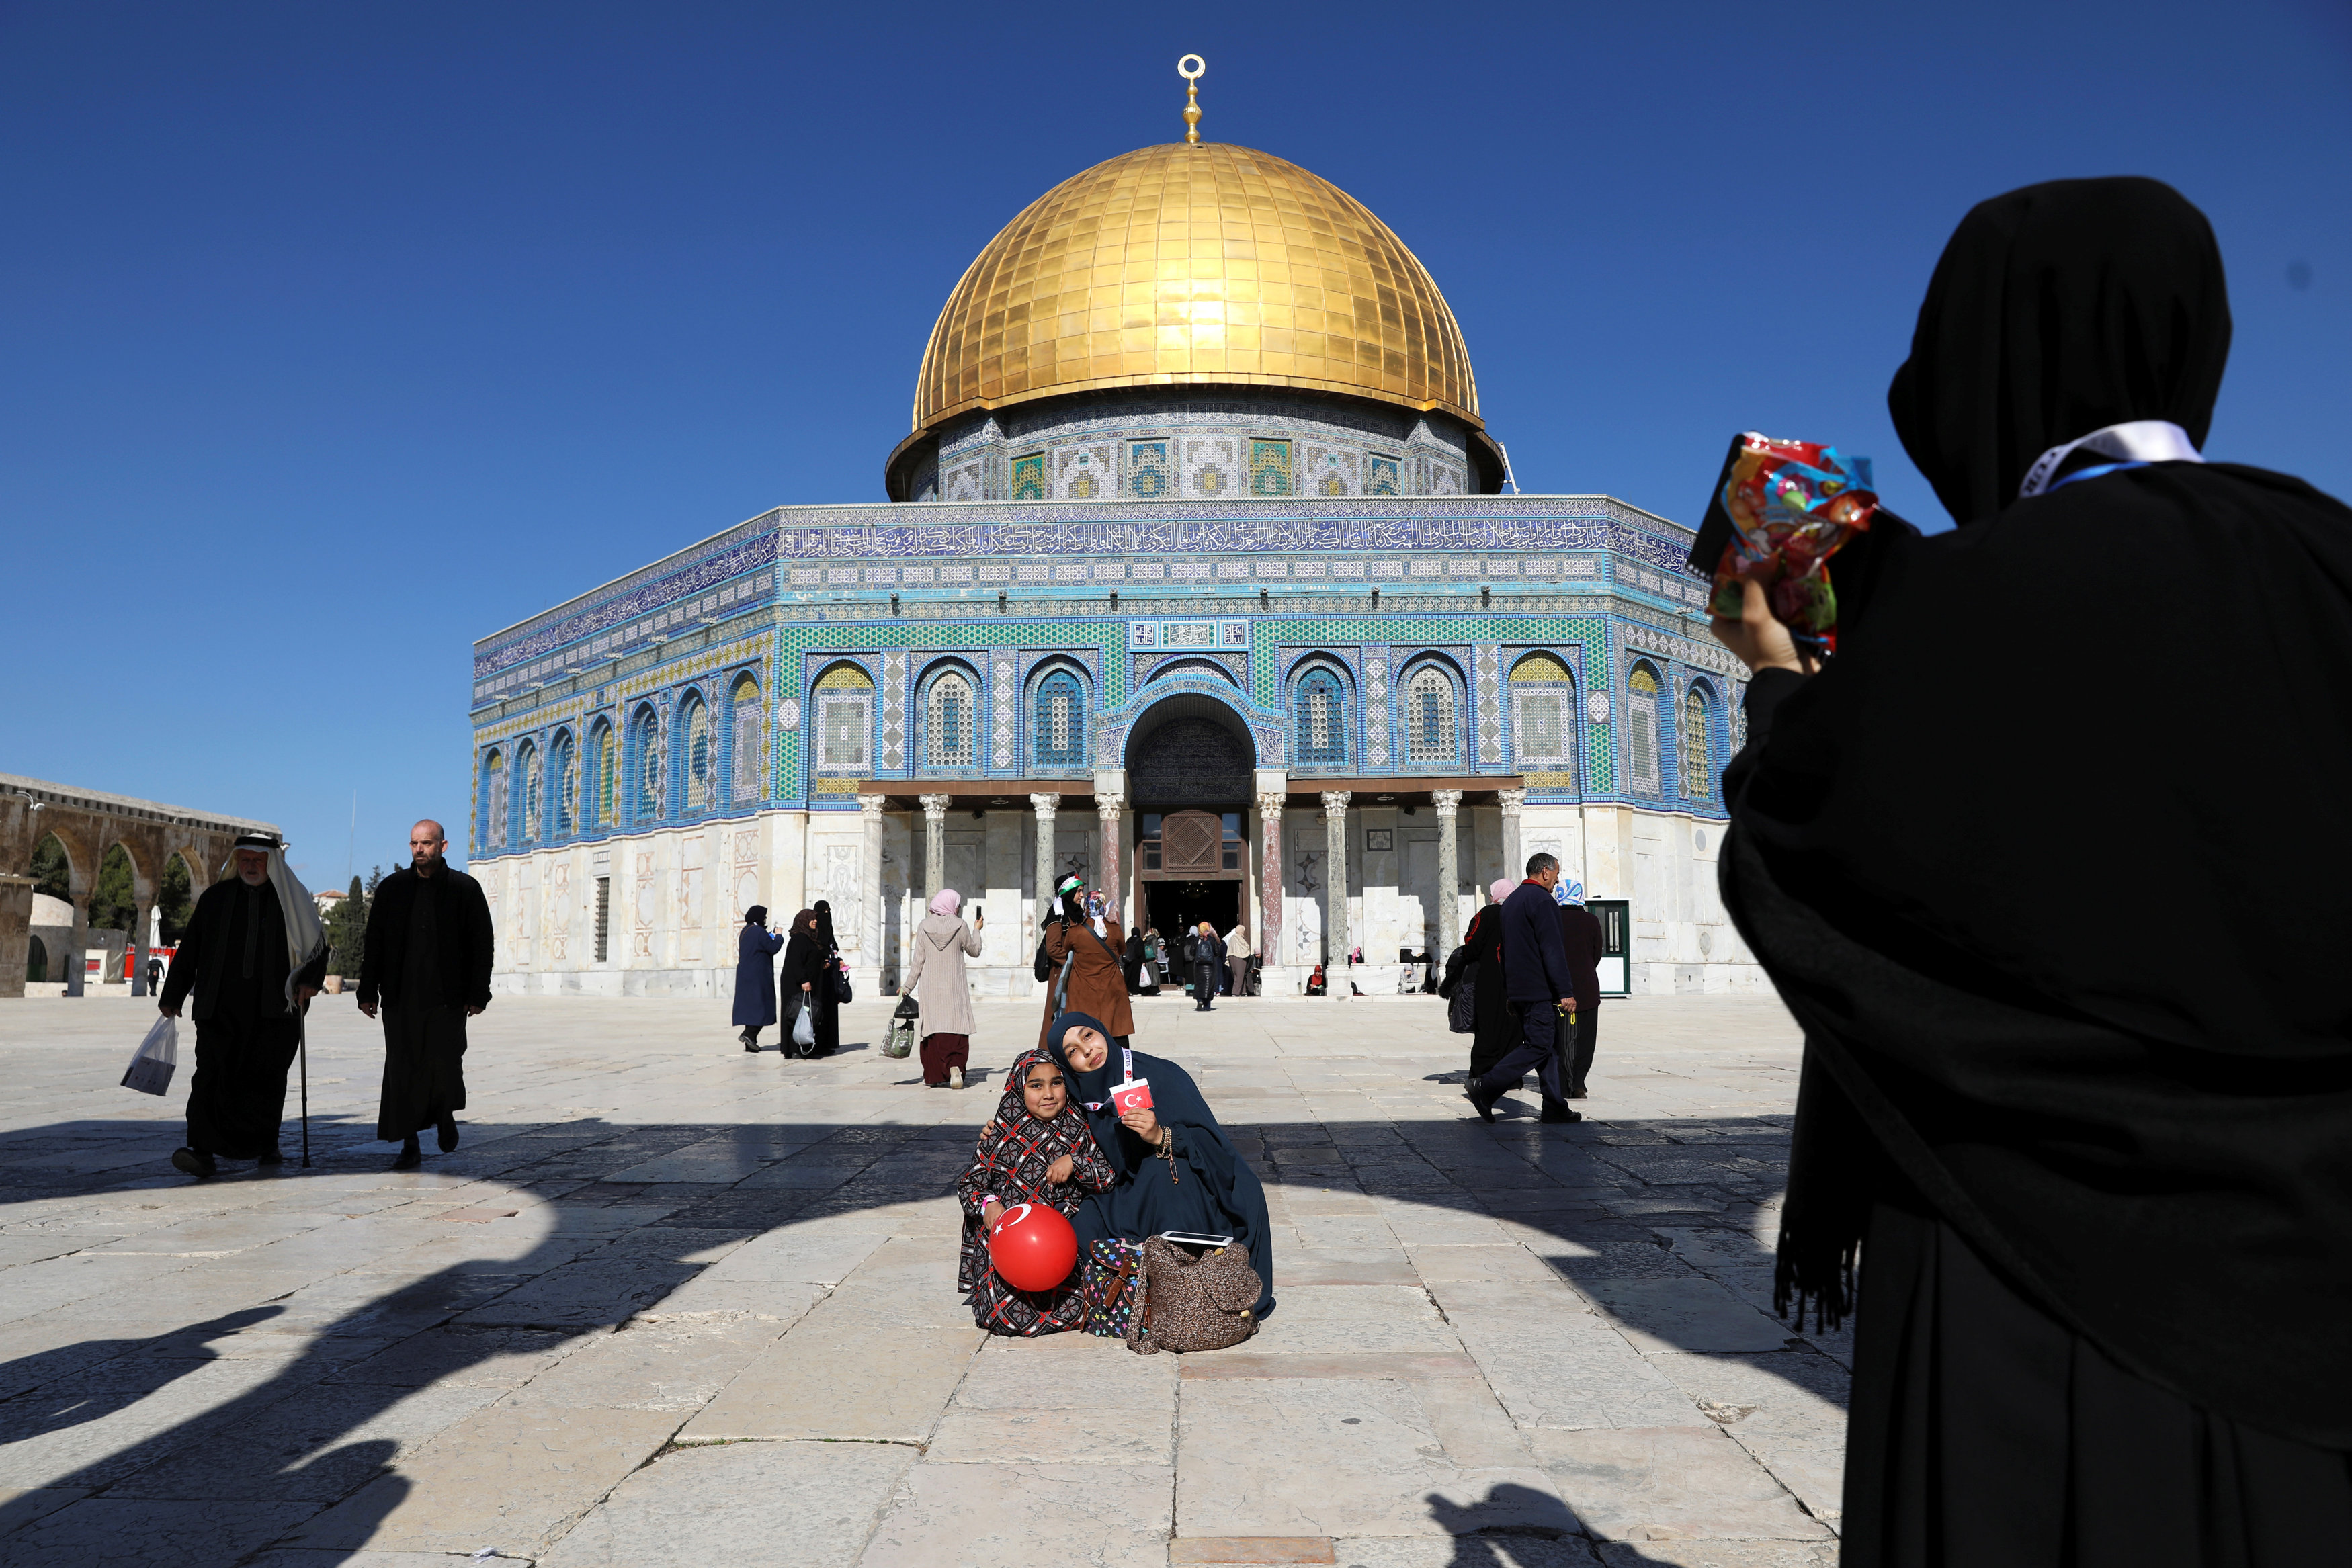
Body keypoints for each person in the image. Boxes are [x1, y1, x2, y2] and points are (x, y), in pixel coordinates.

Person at [1714, 177, 2352, 1565]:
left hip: (2013, 1282)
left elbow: (1808, 878)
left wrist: (1779, 689)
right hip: (2317, 1291)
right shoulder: (2332, 561)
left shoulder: (1954, 611)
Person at [1045, 1010, 1276, 1318]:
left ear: (1102, 1031)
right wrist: (999, 1129)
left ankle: (1181, 1290)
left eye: (1087, 1035)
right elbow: (1037, 1099)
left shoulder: (1161, 1074)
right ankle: (1134, 1294)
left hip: (1185, 1191)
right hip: (1126, 1195)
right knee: (1082, 1223)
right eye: (1072, 1051)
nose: (1087, 1050)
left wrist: (1161, 1136)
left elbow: (1214, 1148)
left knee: (1161, 1174)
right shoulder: (1080, 1095)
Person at [157, 832, 329, 1178]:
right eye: (245, 860)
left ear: (272, 863)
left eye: (258, 861)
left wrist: (311, 981)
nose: (250, 867)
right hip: (219, 1008)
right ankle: (201, 1151)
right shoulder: (215, 899)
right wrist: (173, 996)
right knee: (209, 1077)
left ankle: (266, 1144)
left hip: (274, 1011)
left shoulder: (292, 902)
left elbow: (317, 946)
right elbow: (190, 948)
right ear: (236, 862)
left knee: (265, 1078)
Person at [358, 820, 493, 1170]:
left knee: (445, 1063)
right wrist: (367, 990)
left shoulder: (465, 889)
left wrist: (478, 992)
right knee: (404, 1070)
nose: (420, 850)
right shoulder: (392, 889)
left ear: (443, 846)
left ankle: (445, 1114)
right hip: (401, 997)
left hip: (447, 997)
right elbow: (374, 943)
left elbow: (482, 944)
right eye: (415, 843)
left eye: (427, 844)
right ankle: (410, 1143)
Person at [954, 1049, 1118, 1334]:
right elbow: (970, 1184)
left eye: (1057, 1082)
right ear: (1018, 1087)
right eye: (1036, 1085)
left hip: (1062, 1247)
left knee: (1085, 1306)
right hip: (1011, 1249)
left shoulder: (1079, 1129)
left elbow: (1108, 1178)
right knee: (1005, 1316)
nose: (1049, 1094)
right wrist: (989, 1205)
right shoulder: (999, 1135)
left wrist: (1076, 1162)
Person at [1467, 853, 1578, 1124]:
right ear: (1545, 872)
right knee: (1539, 1045)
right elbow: (1552, 950)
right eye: (1556, 873)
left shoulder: (1512, 902)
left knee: (1548, 1048)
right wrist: (1565, 991)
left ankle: (1554, 1106)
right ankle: (1487, 1086)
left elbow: (1502, 951)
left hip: (1519, 988)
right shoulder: (1542, 901)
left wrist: (1509, 990)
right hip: (1538, 989)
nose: (1557, 880)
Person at [1038, 875, 1132, 1051]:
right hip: (1063, 973)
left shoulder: (1078, 913)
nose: (1081, 895)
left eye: (1082, 891)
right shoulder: (1057, 914)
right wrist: (1077, 962)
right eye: (1078, 891)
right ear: (1068, 892)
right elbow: (1053, 948)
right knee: (1059, 1017)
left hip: (1081, 975)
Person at [905, 888, 983, 1088]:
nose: (958, 907)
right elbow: (974, 951)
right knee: (955, 1029)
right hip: (954, 989)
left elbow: (918, 961)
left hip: (930, 989)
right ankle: (955, 1066)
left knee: (933, 1030)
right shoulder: (960, 925)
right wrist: (977, 929)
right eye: (957, 904)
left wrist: (907, 987)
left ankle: (934, 1075)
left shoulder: (924, 926)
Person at [1457, 877, 1519, 1086]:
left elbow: (1471, 945)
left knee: (1488, 1027)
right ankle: (1511, 1077)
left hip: (1489, 979)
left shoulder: (1486, 914)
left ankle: (1482, 1074)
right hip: (1517, 979)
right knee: (1512, 1028)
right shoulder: (1519, 913)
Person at [1555, 881, 1603, 1098]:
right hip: (1587, 989)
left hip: (1560, 989)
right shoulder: (1591, 921)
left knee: (1565, 1038)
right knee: (1585, 1039)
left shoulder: (1553, 919)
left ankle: (1565, 1085)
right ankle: (1578, 1083)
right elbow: (1596, 954)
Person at [732, 906, 784, 1051]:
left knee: (751, 1008)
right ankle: (749, 1034)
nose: (765, 919)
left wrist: (770, 935)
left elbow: (761, 943)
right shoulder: (758, 931)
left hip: (746, 975)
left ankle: (751, 1043)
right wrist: (779, 936)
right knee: (762, 1006)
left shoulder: (747, 930)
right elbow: (773, 948)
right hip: (758, 975)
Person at [779, 908, 824, 1059]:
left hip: (805, 983)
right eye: (812, 918)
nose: (815, 921)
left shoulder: (809, 938)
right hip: (796, 985)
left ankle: (804, 1047)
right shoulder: (799, 939)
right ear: (804, 920)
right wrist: (803, 980)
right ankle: (794, 1048)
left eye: (816, 918)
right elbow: (795, 962)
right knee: (796, 1014)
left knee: (804, 1015)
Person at [804, 899, 844, 1056]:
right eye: (823, 913)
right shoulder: (813, 937)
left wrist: (838, 960)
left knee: (830, 1010)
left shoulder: (828, 932)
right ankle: (818, 1043)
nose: (826, 916)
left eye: (828, 912)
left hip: (831, 976)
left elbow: (832, 946)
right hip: (820, 977)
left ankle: (828, 1043)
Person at [1189, 920, 1222, 1011]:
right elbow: (1217, 952)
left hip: (1198, 967)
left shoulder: (1196, 940)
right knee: (1209, 985)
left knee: (1199, 984)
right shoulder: (1211, 940)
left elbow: (1191, 952)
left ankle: (1199, 1000)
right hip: (1210, 967)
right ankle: (1207, 1006)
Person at [1223, 922, 1253, 997]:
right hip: (1240, 957)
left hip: (1231, 957)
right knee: (1239, 975)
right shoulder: (1239, 937)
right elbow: (1246, 947)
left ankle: (1243, 991)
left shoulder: (1232, 937)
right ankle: (1235, 992)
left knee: (1237, 974)